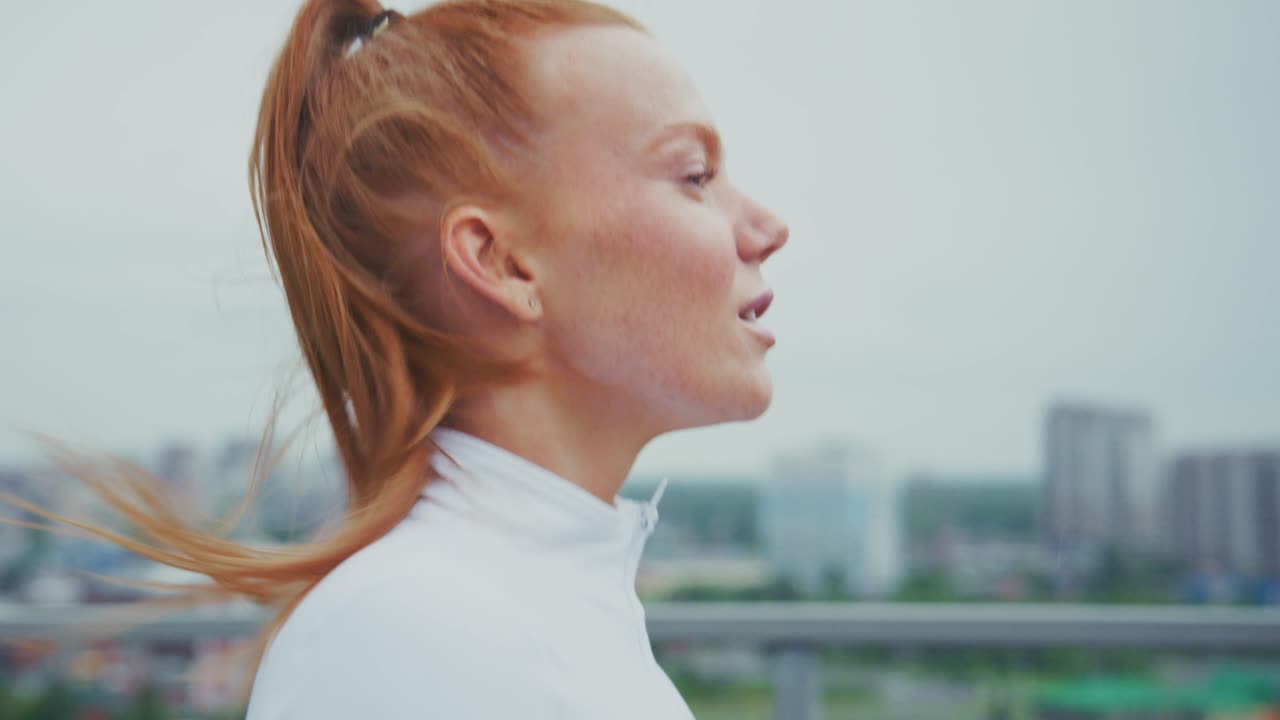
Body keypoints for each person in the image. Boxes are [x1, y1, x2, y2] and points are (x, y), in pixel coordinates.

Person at [18, 0, 788, 716]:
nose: (766, 225)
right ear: (503, 264)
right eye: (694, 176)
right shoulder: (409, 635)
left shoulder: (502, 608)